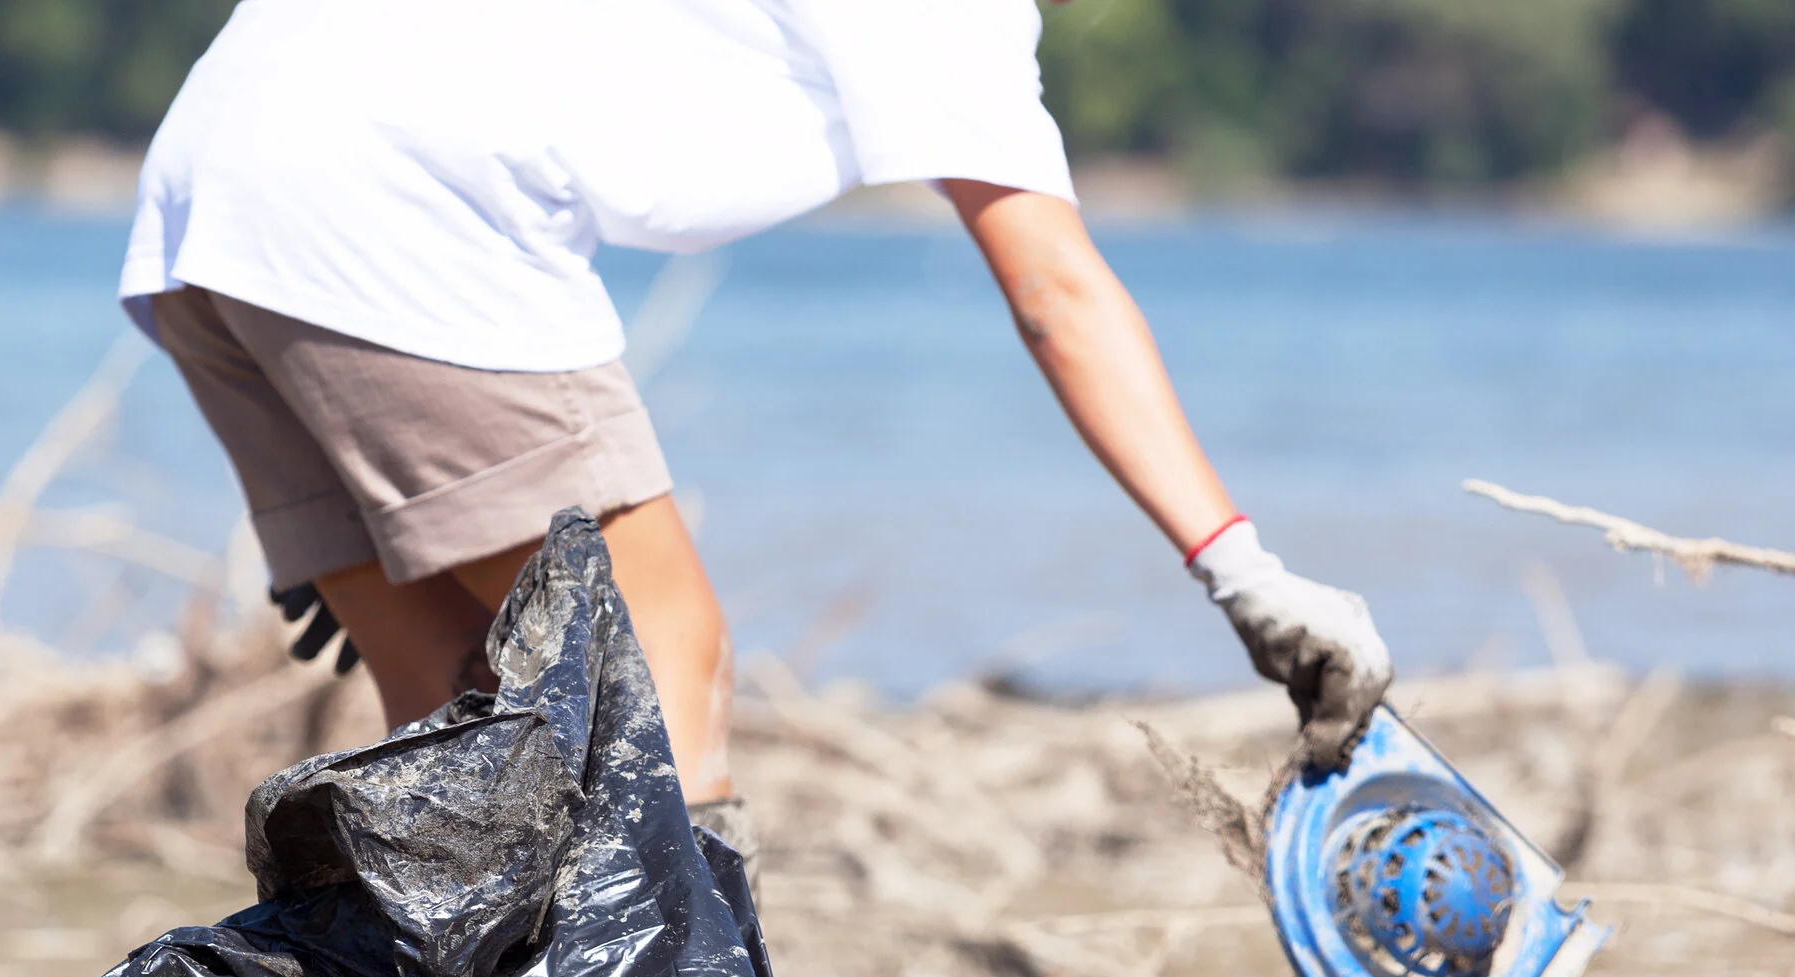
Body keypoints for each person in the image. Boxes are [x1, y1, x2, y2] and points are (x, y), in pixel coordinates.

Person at [120, 0, 1393, 828]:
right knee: (667, 674)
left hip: (211, 179)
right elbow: (1058, 293)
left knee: (454, 715)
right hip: (397, 191)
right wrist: (1245, 574)